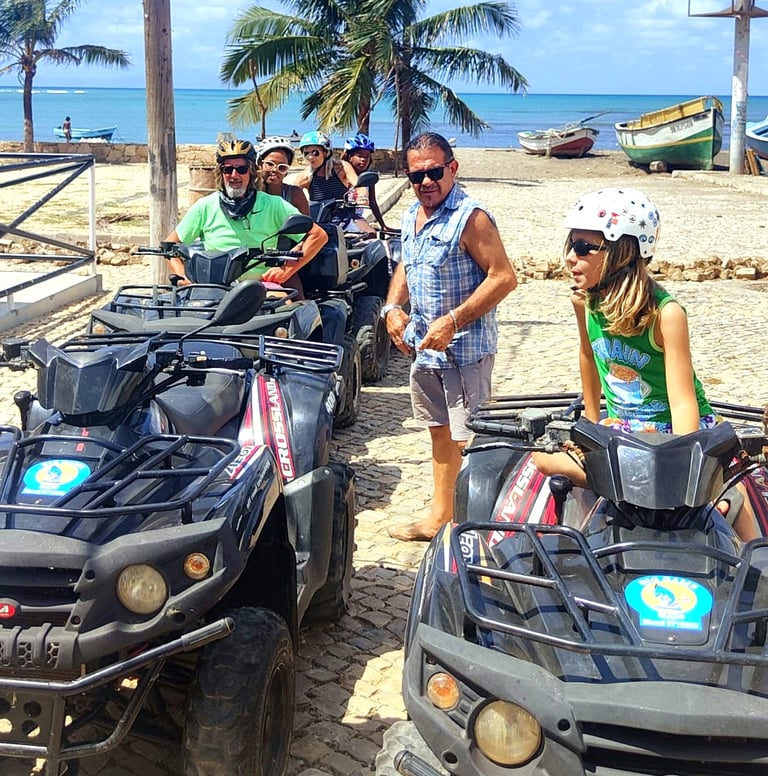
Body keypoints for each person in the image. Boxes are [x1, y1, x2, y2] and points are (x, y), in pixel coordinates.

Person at [531, 186, 758, 541]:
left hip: (672, 429)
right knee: (542, 460)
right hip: (625, 428)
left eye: (582, 248)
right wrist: (590, 421)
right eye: (570, 246)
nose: (569, 259)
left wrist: (683, 461)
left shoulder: (666, 314)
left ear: (622, 252)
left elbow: (684, 402)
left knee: (733, 502)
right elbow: (588, 355)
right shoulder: (587, 302)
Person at [383, 131, 518, 541]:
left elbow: (504, 277)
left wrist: (453, 321)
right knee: (440, 433)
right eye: (416, 176)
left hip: (466, 351)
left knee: (471, 439)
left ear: (452, 169)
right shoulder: (412, 216)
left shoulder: (471, 217)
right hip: (425, 352)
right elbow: (408, 263)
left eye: (434, 173)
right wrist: (392, 308)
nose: (426, 183)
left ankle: (473, 524)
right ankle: (441, 517)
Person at [165, 138, 327, 292]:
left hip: (261, 286)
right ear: (220, 173)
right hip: (214, 288)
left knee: (288, 310)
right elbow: (170, 245)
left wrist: (286, 270)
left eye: (241, 169)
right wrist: (183, 276)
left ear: (251, 172)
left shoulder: (274, 204)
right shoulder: (205, 206)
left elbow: (318, 235)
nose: (234, 175)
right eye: (227, 169)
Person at [293, 130, 360, 226]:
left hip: (344, 217)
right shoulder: (305, 176)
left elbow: (359, 184)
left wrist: (362, 197)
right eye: (306, 153)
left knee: (369, 234)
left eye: (315, 152)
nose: (310, 157)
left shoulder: (341, 167)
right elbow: (292, 195)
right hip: (318, 220)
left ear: (326, 152)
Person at [341, 132, 393, 232]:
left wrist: (383, 225)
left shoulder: (368, 177)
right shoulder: (340, 174)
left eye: (367, 157)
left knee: (371, 235)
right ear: (349, 156)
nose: (363, 160)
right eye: (359, 156)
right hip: (339, 217)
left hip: (356, 217)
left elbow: (372, 202)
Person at [255, 136, 310, 215]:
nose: (275, 170)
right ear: (260, 164)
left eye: (282, 167)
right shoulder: (251, 193)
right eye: (270, 164)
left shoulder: (295, 194)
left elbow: (307, 224)